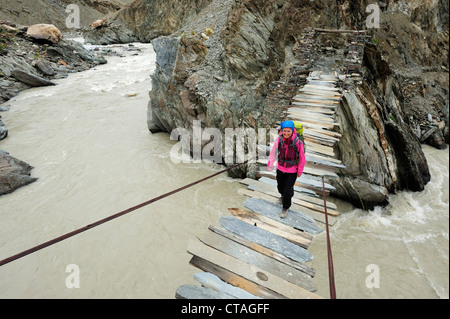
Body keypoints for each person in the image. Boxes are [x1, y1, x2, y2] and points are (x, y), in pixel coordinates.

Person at [267, 120, 306, 218]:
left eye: (288, 131)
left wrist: (300, 170)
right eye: (284, 131)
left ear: (292, 131)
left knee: (287, 190)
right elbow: (273, 153)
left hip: (292, 170)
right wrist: (270, 165)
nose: (286, 133)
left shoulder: (298, 143)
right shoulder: (279, 140)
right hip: (280, 168)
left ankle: (285, 207)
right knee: (280, 187)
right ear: (282, 131)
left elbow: (302, 158)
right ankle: (283, 195)